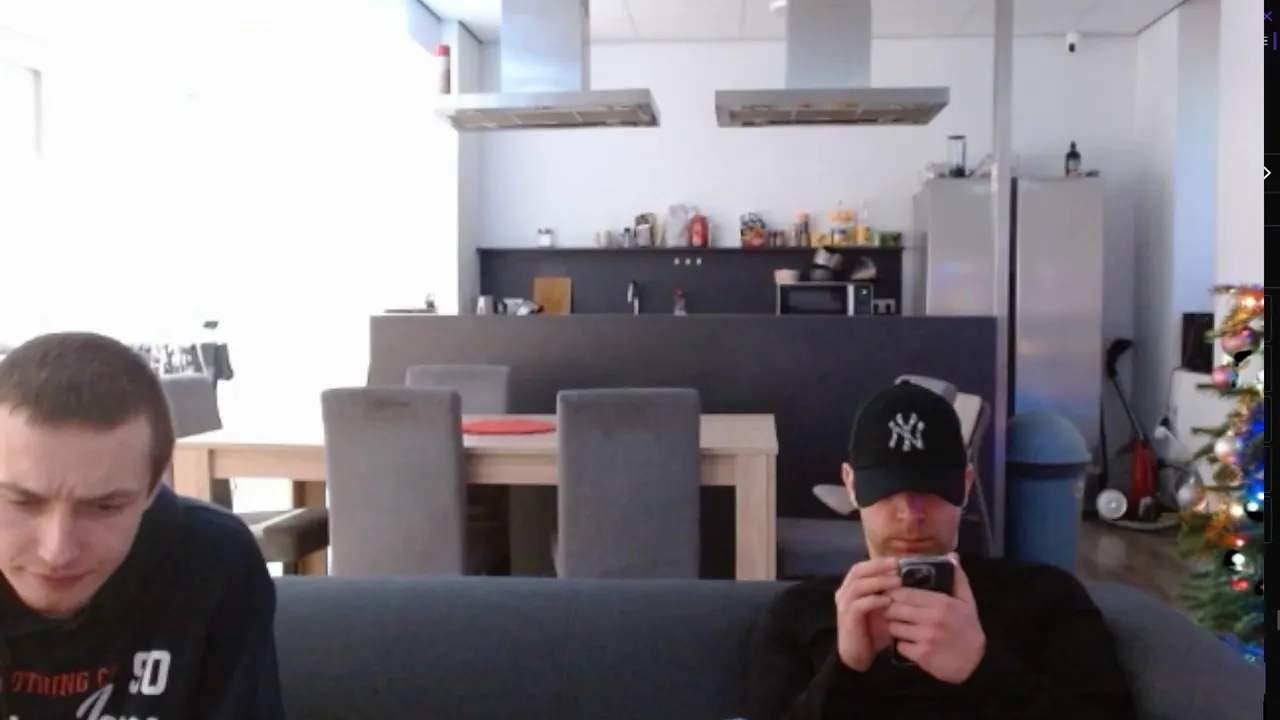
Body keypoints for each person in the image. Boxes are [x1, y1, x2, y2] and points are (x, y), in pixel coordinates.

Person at [740, 382, 1137, 720]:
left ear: (965, 485)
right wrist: (845, 669)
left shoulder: (1045, 597)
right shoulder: (799, 615)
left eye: (931, 490)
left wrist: (981, 669)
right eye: (887, 491)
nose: (910, 514)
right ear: (852, 485)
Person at [0, 332, 284, 719]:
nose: (57, 551)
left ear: (154, 487)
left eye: (105, 507)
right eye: (21, 502)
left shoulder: (213, 563)